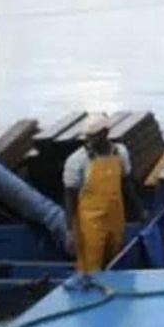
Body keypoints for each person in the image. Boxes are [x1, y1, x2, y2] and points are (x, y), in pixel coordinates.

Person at [63, 113, 143, 275]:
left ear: (106, 133)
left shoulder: (120, 153)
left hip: (115, 218)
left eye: (94, 137)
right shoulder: (77, 160)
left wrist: (139, 210)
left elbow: (126, 183)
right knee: (90, 269)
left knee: (117, 262)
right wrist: (70, 231)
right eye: (88, 137)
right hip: (90, 224)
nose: (89, 141)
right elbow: (70, 197)